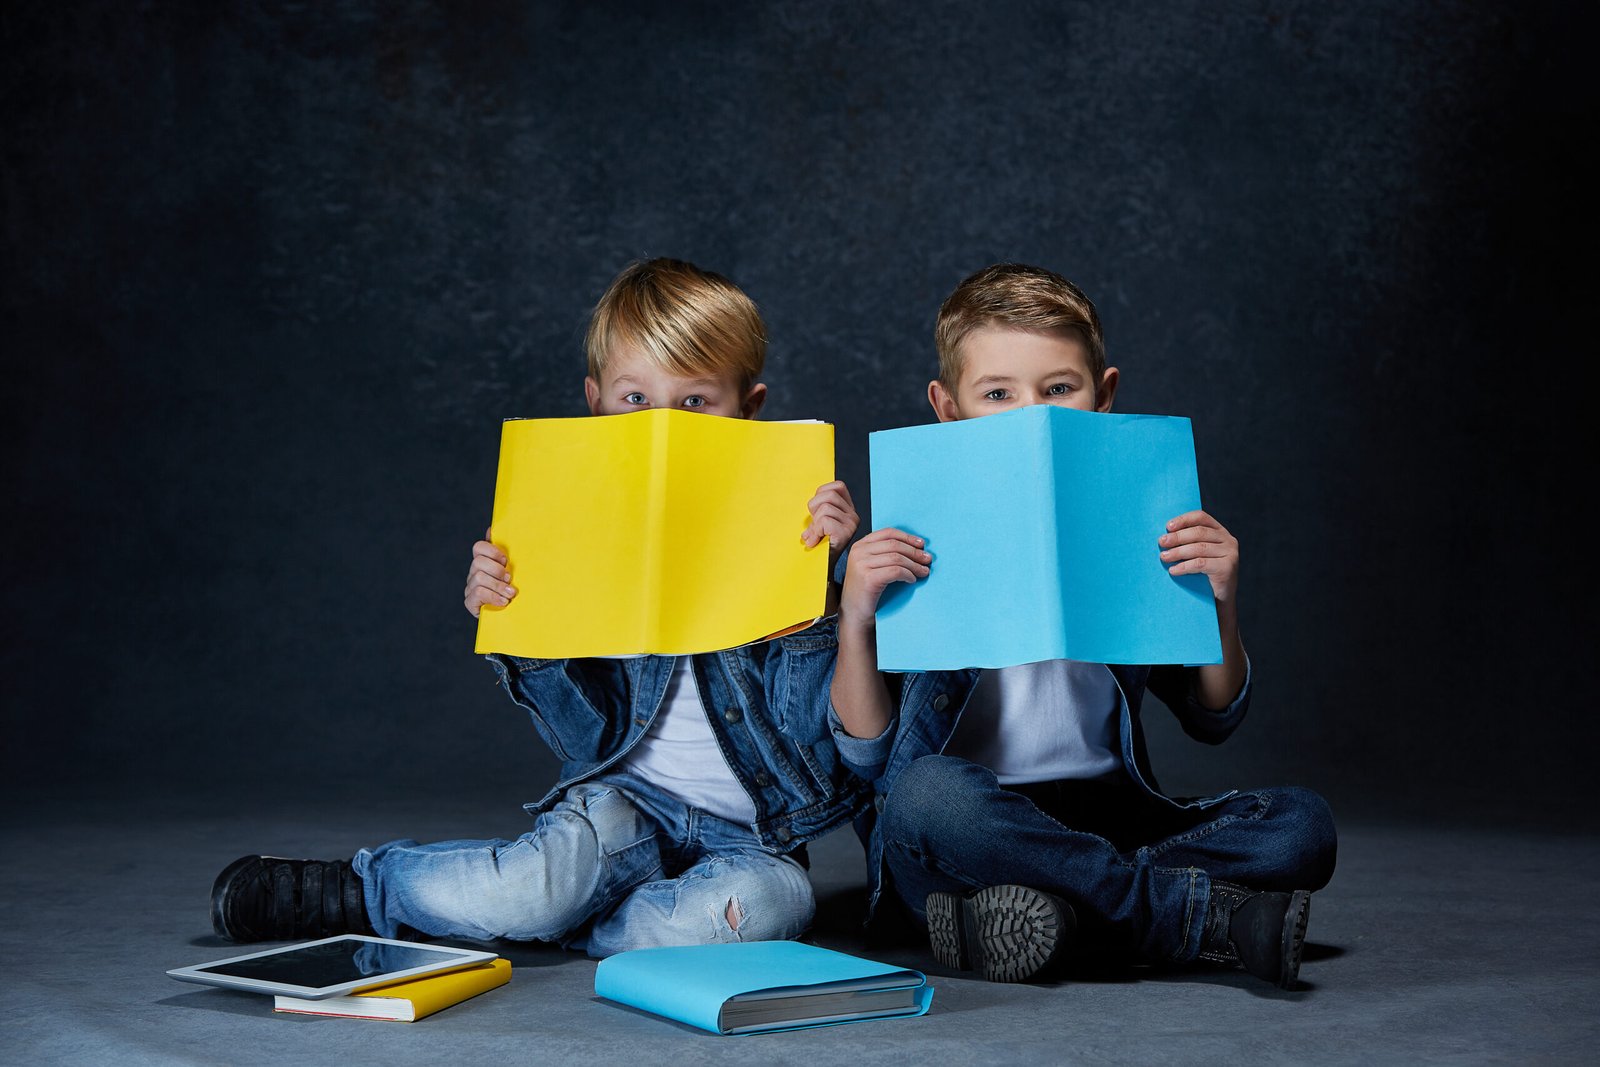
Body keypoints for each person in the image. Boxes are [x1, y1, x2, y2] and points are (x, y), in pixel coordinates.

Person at [210, 258, 867, 957]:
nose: (664, 426)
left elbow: (818, 741)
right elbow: (583, 743)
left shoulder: (794, 524)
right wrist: (513, 618)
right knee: (533, 888)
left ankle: (584, 920)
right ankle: (369, 888)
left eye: (695, 402)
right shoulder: (573, 524)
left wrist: (822, 597)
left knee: (760, 913)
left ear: (749, 406)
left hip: (758, 838)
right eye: (635, 398)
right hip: (624, 803)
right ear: (596, 403)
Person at [829, 263, 1336, 989]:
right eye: (997, 393)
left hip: (1107, 815)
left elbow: (1213, 716)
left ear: (1105, 395)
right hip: (972, 816)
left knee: (1301, 824)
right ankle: (1196, 920)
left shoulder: (1133, 521)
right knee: (925, 794)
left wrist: (1221, 598)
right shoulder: (915, 534)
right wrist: (855, 620)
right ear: (948, 407)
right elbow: (868, 755)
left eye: (1058, 388)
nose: (1031, 413)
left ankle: (1053, 917)